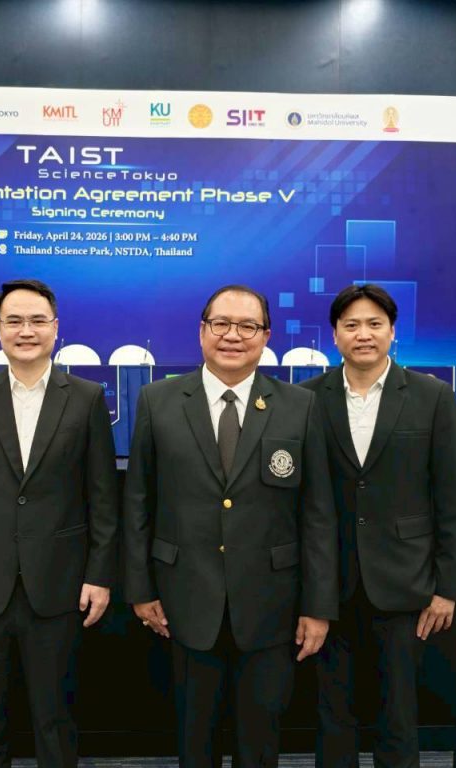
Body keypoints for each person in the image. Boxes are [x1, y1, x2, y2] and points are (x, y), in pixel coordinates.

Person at [123, 284, 338, 768]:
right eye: (221, 324)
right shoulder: (158, 400)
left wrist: (318, 606)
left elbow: (318, 513)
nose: (233, 336)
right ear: (202, 331)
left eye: (247, 326)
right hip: (183, 599)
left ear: (266, 336)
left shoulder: (299, 406)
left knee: (259, 742)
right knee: (195, 740)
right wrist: (139, 588)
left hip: (272, 603)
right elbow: (138, 502)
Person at [0, 278, 118, 768]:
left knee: (55, 720)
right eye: (14, 321)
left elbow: (102, 498)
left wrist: (99, 575)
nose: (26, 330)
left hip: (58, 585)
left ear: (56, 328)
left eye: (37, 320)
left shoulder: (86, 398)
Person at [300, 283, 456, 768]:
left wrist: (447, 588)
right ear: (335, 334)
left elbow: (455, 499)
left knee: (397, 716)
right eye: (352, 325)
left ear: (392, 332)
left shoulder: (431, 396)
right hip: (328, 584)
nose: (364, 334)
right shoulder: (306, 399)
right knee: (331, 714)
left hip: (405, 582)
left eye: (374, 324)